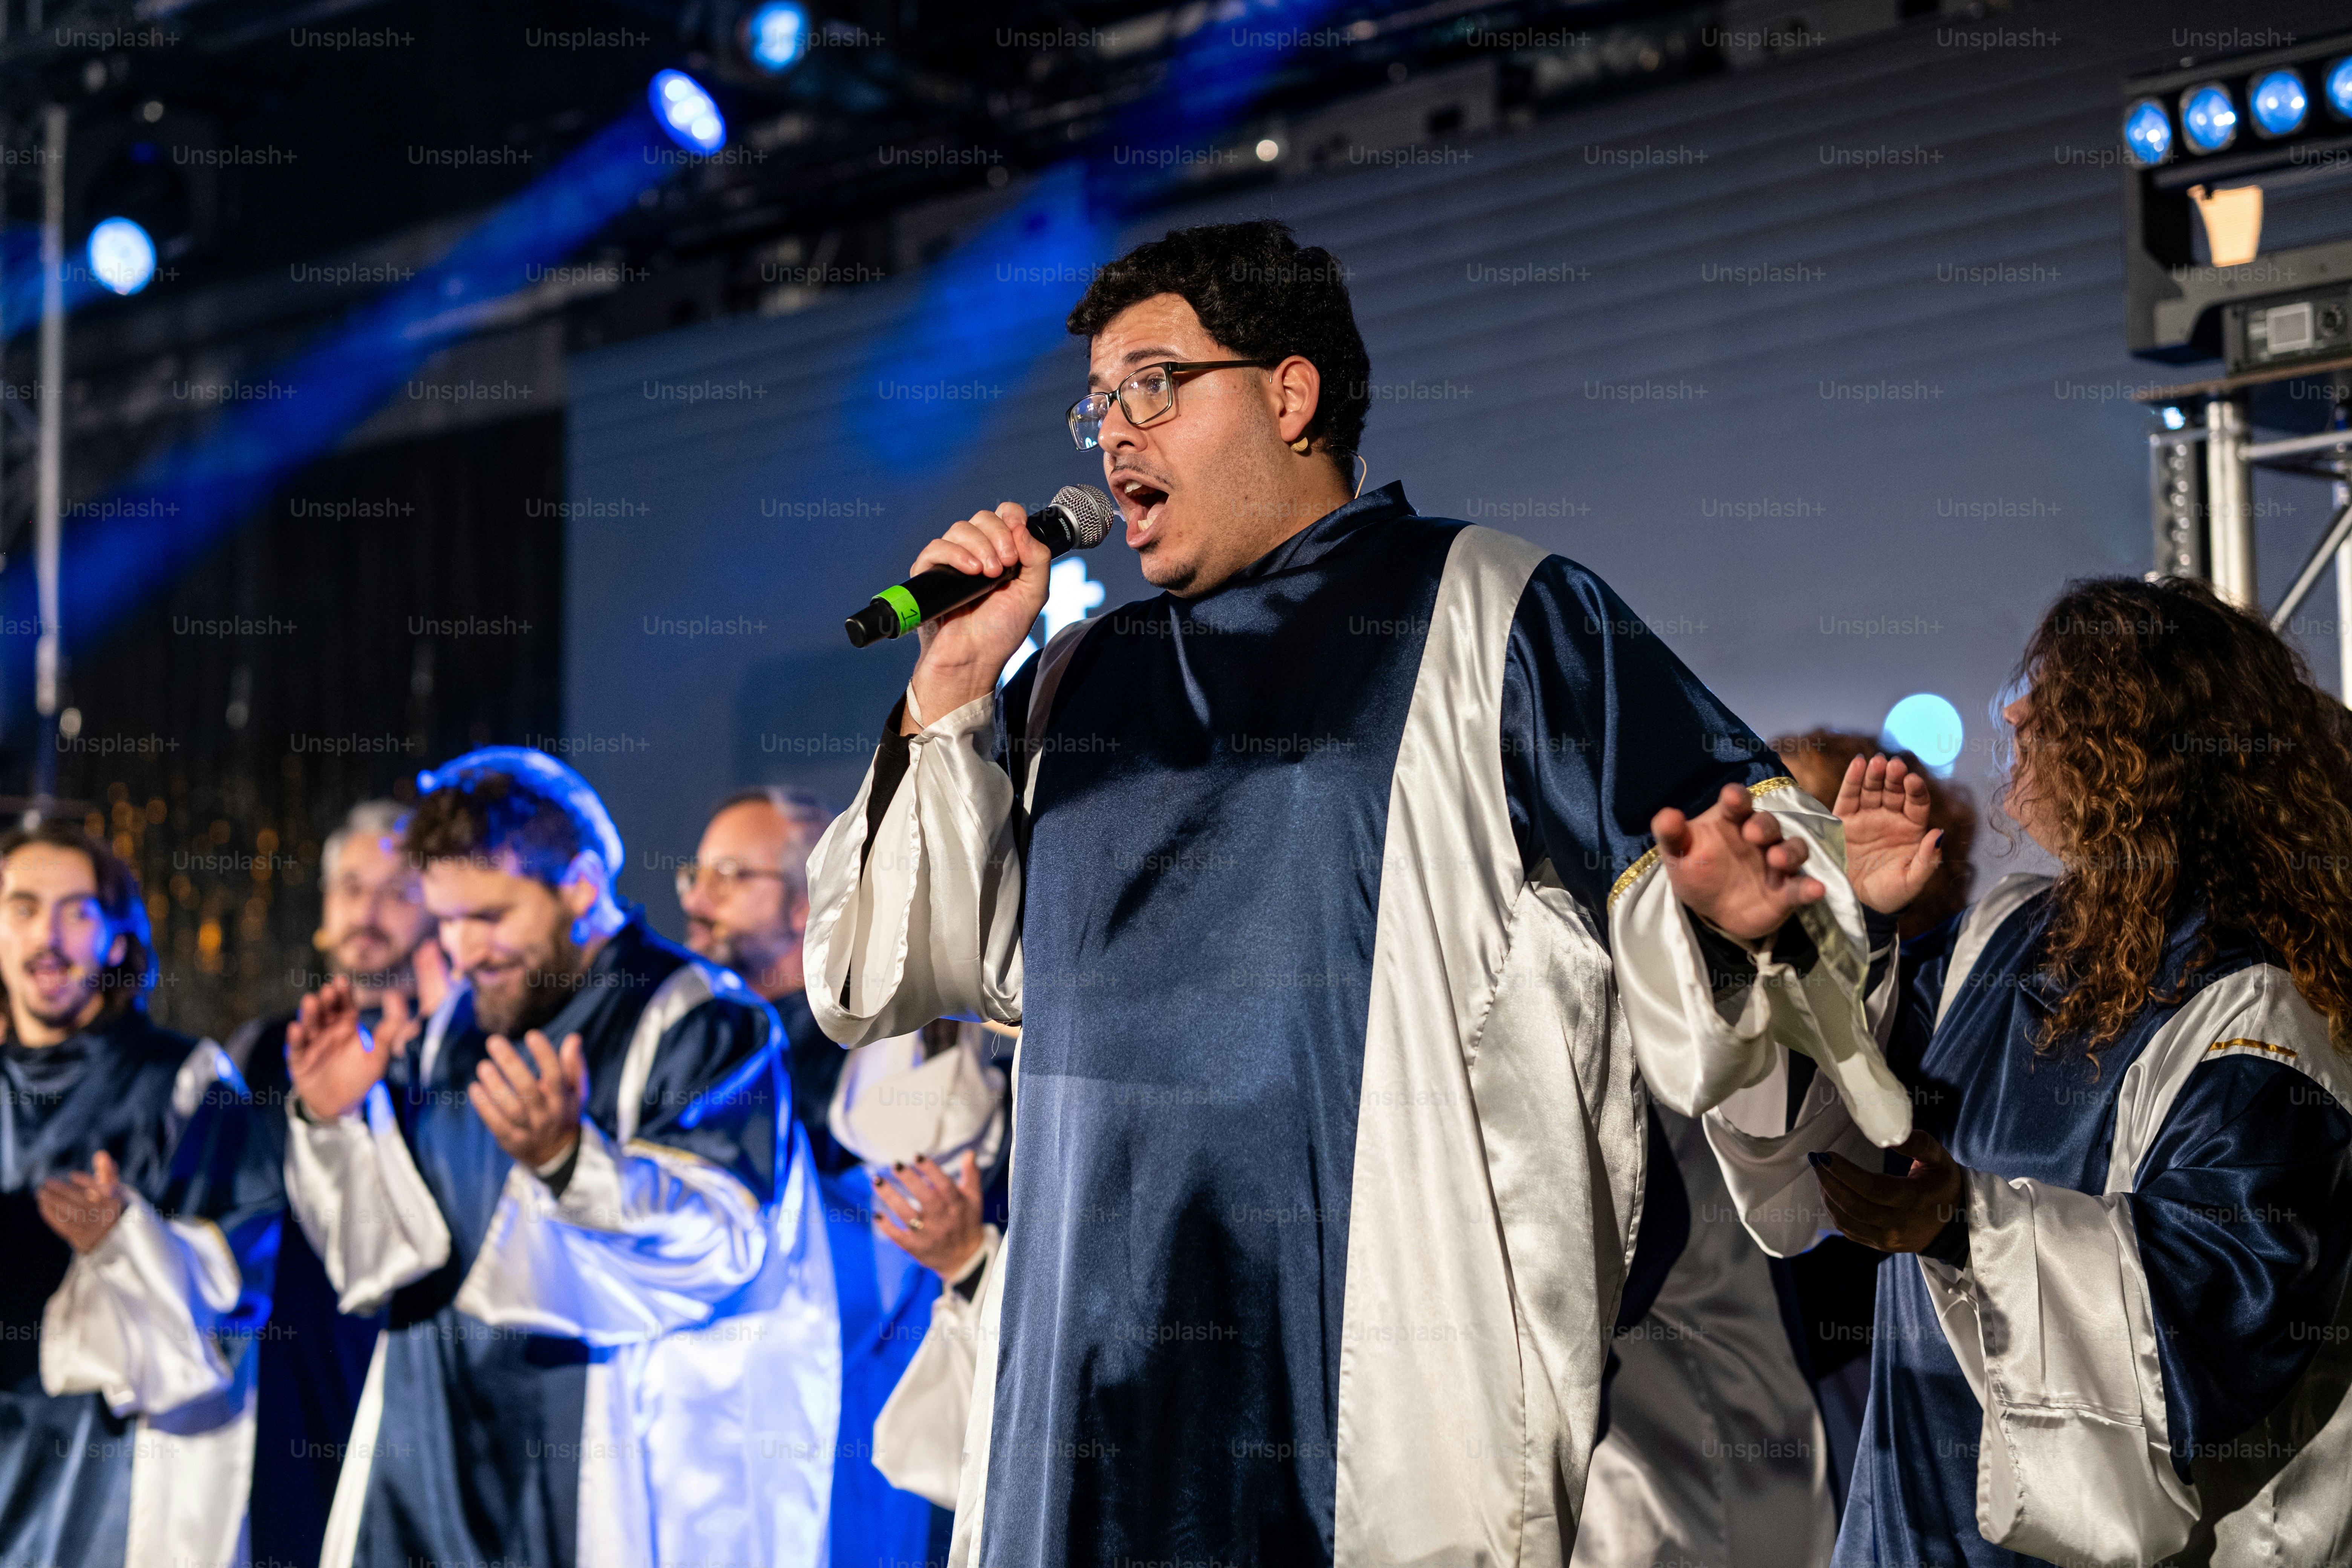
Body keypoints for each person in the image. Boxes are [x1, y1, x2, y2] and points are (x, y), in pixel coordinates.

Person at [804, 217, 1905, 1565]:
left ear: (1290, 392)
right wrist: (954, 685)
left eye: (1155, 383)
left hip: (1377, 1371)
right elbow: (880, 972)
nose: (1113, 438)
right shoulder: (1076, 679)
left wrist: (1742, 925)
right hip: (1086, 1376)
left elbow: (1744, 872)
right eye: (1099, 404)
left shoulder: (1495, 607)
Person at [1707, 576, 2352, 1565]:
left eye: (2061, 695)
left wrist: (1968, 1226)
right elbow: (1824, 1114)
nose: (2015, 711)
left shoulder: (2256, 1009)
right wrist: (1850, 921)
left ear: (2148, 750)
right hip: (1909, 1520)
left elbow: (2219, 1315)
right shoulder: (2009, 933)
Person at [280, 747, 838, 1568]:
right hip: (430, 1452)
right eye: (446, 921)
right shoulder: (454, 1027)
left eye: (491, 916)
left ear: (578, 883)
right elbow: (399, 1256)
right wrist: (337, 1120)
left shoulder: (703, 1019)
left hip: (610, 1466)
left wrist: (571, 1163)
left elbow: (727, 1247)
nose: (464, 951)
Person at [678, 785, 1006, 1565]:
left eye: (732, 875)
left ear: (804, 905)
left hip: (849, 1408)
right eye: (696, 874)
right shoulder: (699, 1033)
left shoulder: (898, 1038)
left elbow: (896, 1244)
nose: (699, 896)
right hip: (712, 1412)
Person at [0, 819, 280, 1568]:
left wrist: (127, 1239)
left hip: (116, 1471)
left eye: (77, 912)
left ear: (119, 941)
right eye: (24, 908)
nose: (47, 936)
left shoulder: (187, 1081)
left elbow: (234, 1295)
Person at [230, 799, 446, 1568]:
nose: (369, 910)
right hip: (287, 1392)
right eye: (351, 887)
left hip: (417, 1378)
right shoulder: (261, 1053)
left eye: (397, 890)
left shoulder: (464, 1057)